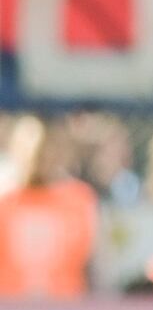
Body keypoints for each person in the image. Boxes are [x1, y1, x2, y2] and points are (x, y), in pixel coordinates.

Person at [0, 116, 99, 299]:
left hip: (66, 308)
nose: (41, 159)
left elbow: (93, 264)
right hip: (10, 308)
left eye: (48, 151)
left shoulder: (79, 200)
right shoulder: (5, 201)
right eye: (34, 152)